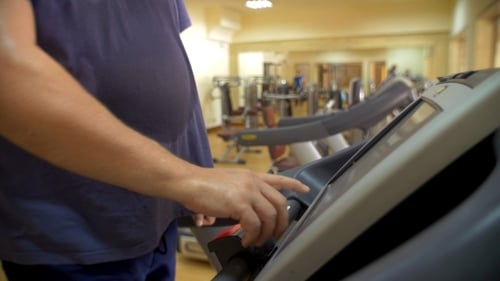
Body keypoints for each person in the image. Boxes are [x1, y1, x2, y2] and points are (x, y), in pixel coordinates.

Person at [0, 1, 309, 280]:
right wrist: (190, 180)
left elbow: (172, 68)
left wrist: (198, 169)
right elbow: (7, 71)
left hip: (155, 214)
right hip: (76, 229)